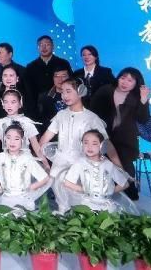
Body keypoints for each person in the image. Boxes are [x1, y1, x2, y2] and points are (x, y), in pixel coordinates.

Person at [39, 78, 123, 213]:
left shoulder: (91, 118)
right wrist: (43, 161)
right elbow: (44, 139)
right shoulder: (61, 115)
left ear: (81, 91)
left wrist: (119, 167)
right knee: (62, 201)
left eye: (68, 91)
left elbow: (107, 144)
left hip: (82, 165)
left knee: (82, 203)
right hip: (59, 164)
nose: (64, 96)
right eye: (62, 92)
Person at [90, 67, 150, 200]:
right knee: (101, 163)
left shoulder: (137, 97)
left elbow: (143, 119)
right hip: (103, 135)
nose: (124, 82)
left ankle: (129, 190)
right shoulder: (105, 90)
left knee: (125, 165)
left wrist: (144, 99)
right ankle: (101, 190)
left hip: (125, 139)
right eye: (122, 78)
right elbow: (92, 110)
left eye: (130, 80)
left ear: (136, 83)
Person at [63, 129, 134, 213]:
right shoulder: (80, 163)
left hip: (106, 206)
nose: (89, 147)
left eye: (94, 143)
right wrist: (84, 190)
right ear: (81, 144)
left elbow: (125, 184)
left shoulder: (107, 164)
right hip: (87, 204)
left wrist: (109, 191)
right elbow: (67, 183)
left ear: (102, 145)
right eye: (86, 143)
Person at [0, 123, 50, 211]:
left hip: (24, 199)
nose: (12, 142)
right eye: (8, 138)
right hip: (5, 199)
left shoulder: (27, 159)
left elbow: (45, 178)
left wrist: (32, 187)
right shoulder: (0, 157)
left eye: (16, 139)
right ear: (4, 140)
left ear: (22, 141)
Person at [0, 89, 49, 170]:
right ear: (2, 104)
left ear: (20, 104)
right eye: (6, 102)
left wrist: (46, 164)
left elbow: (36, 146)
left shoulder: (27, 122)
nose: (9, 105)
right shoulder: (1, 123)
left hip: (25, 161)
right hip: (6, 161)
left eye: (13, 102)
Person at [25, 35, 73, 105]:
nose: (44, 48)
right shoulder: (31, 66)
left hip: (61, 101)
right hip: (38, 104)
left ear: (53, 47)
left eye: (47, 45)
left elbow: (71, 82)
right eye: (41, 45)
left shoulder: (63, 63)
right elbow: (28, 89)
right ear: (38, 48)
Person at [35, 68, 69, 135]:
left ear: (69, 78)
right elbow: (40, 121)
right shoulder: (43, 97)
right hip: (50, 135)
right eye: (56, 76)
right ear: (53, 78)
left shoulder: (76, 96)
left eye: (63, 76)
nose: (60, 79)